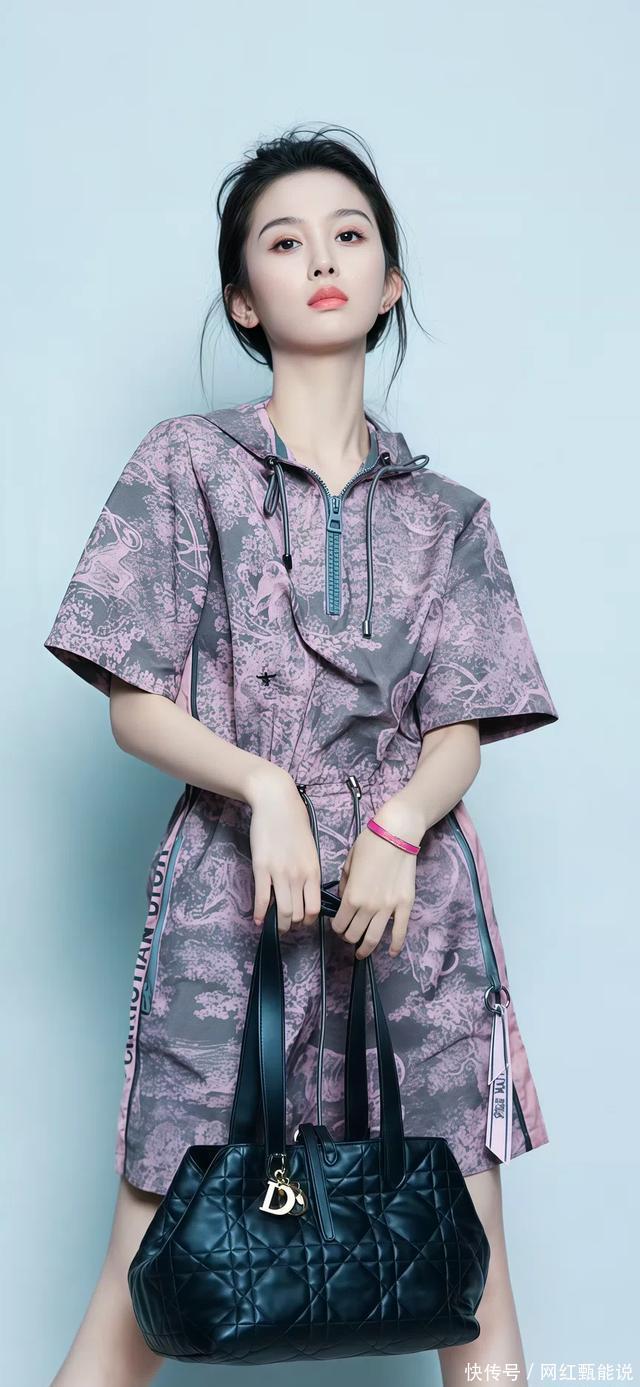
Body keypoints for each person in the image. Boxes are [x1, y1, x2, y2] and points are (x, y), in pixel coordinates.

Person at [44, 125, 558, 1387]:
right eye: (284, 241)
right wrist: (262, 783)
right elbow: (131, 701)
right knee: (148, 1255)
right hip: (231, 903)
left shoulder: (449, 515)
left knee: (467, 1257)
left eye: (349, 235)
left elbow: (459, 730)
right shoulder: (185, 465)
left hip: (412, 906)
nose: (321, 259)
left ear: (389, 282)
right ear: (243, 297)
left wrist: (396, 826)